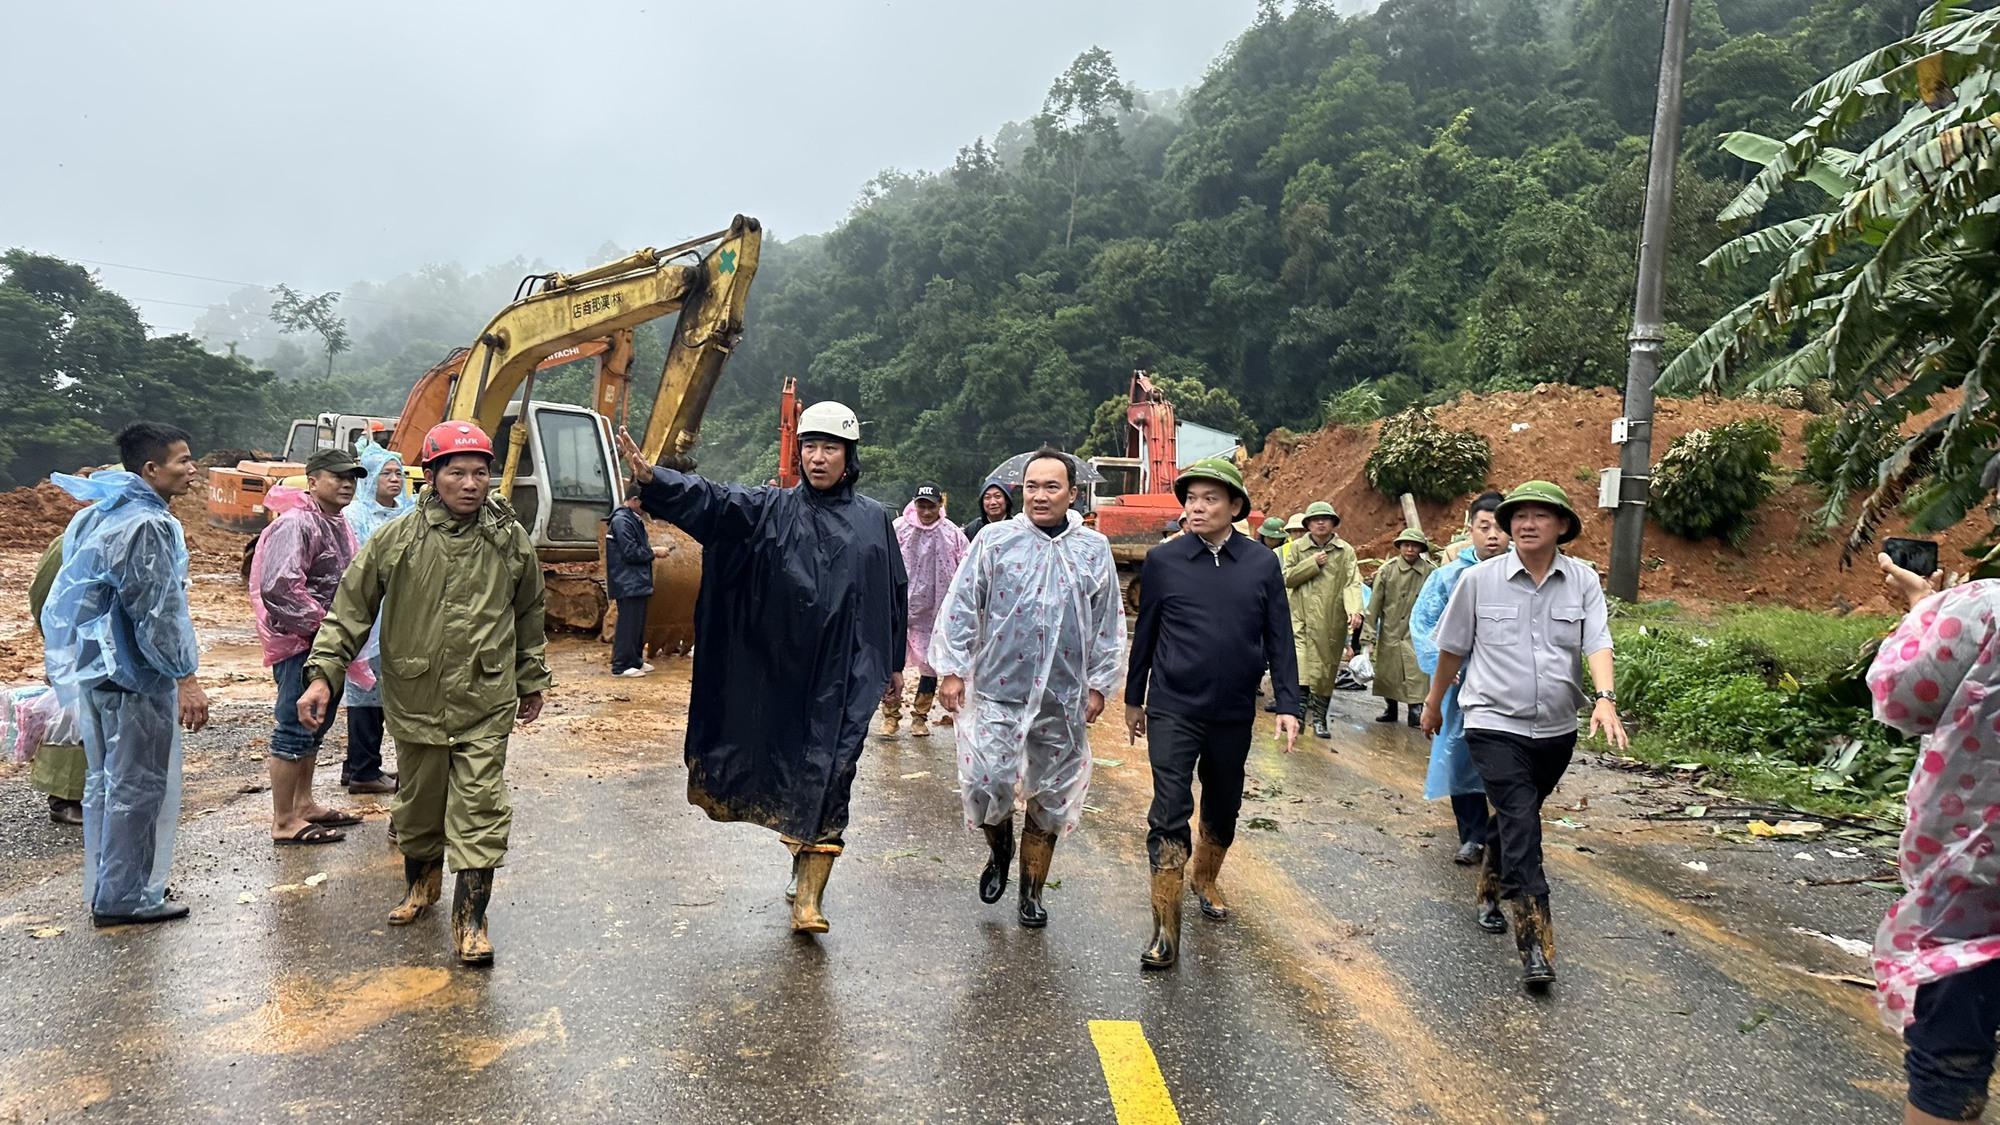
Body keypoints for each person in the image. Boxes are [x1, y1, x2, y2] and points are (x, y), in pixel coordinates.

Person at [614, 402, 906, 936]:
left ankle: (810, 900)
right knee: (793, 766)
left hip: (849, 672)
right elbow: (714, 501)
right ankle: (801, 858)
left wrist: (894, 662)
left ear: (849, 456)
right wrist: (658, 481)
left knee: (836, 769)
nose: (818, 459)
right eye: (810, 448)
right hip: (785, 668)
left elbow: (893, 592)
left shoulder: (874, 519)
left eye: (830, 448)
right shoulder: (769, 508)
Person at [298, 422, 551, 965]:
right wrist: (324, 672)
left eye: (479, 473)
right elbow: (351, 609)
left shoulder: (507, 538)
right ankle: (421, 885)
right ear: (431, 477)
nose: (469, 484)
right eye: (456, 472)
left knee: (481, 806)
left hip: (485, 697)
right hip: (417, 697)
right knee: (417, 805)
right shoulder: (399, 538)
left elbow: (530, 610)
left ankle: (472, 920)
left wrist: (531, 677)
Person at [1421, 480, 1626, 992]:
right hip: (1491, 721)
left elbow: (1597, 640)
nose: (1526, 524)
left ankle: (1490, 885)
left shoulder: (1581, 580)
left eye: (1540, 515)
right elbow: (1451, 648)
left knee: (1519, 815)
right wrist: (1432, 703)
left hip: (1556, 728)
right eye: (1518, 516)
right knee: (1520, 819)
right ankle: (1535, 942)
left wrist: (1605, 698)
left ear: (1562, 526)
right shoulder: (1478, 581)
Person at [931, 449, 1123, 927]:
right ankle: (999, 850)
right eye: (1032, 486)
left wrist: (1099, 684)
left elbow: (1107, 622)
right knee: (986, 782)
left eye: (1051, 487)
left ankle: (1032, 890)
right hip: (999, 686)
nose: (1039, 495)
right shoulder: (996, 540)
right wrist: (952, 670)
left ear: (1073, 494)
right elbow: (961, 604)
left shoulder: (1093, 549)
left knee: (1051, 794)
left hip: (1063, 697)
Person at [1126, 458, 1302, 970]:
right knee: (1169, 807)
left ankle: (1205, 878)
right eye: (1191, 498)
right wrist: (1135, 698)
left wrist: (1288, 703)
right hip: (1174, 706)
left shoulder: (1261, 563)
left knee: (1223, 803)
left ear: (1235, 508)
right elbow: (1147, 633)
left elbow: (1279, 636)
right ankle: (1165, 927)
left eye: (1209, 499)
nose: (1197, 507)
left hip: (1231, 710)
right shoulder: (1165, 560)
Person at [42, 422, 210, 927]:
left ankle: (113, 884)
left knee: (107, 783)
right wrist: (185, 676)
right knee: (137, 786)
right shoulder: (147, 525)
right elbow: (155, 611)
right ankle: (125, 896)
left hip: (99, 672)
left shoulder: (101, 515)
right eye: (183, 460)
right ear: (151, 469)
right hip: (135, 676)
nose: (193, 468)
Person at [1872, 502, 2000, 1125]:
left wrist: (1926, 612)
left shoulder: (1983, 608)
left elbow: (1903, 700)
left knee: (1950, 1060)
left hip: (1977, 882)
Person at [251, 449, 369, 846]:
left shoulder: (335, 523)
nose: (347, 483)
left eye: (352, 477)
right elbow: (280, 587)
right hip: (301, 643)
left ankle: (304, 804)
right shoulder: (298, 523)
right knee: (293, 726)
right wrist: (325, 631)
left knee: (314, 728)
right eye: (337, 476)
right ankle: (284, 820)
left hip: (327, 645)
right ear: (313, 480)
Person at [1411, 492, 1509, 910]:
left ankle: (1502, 833)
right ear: (1469, 529)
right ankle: (1472, 835)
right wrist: (1448, 672)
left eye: (1499, 528)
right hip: (1459, 688)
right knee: (1460, 756)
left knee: (1506, 761)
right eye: (1484, 527)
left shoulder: (1522, 574)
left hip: (1506, 689)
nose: (1493, 536)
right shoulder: (1450, 577)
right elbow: (1424, 624)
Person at [338, 439, 412, 794]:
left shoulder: (407, 513)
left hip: (399, 615)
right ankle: (364, 770)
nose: (395, 480)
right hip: (369, 614)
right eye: (387, 474)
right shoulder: (355, 516)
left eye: (399, 473)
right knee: (364, 690)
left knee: (385, 691)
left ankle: (357, 764)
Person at [887, 483, 969, 738]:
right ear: (914, 503)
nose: (925, 511)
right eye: (921, 505)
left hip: (934, 610)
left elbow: (966, 565)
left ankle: (920, 716)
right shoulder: (899, 528)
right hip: (900, 606)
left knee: (931, 664)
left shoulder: (951, 533)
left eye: (930, 506)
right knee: (891, 662)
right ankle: (890, 715)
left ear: (939, 506)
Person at [1283, 500, 1362, 740]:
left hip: (1331, 621)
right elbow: (1287, 578)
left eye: (1325, 518)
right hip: (1301, 619)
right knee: (1302, 669)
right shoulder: (1297, 548)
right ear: (1307, 524)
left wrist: (1354, 609)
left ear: (1333, 523)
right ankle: (1299, 718)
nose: (1320, 522)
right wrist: (1312, 564)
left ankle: (1320, 719)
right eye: (1315, 519)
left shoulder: (1345, 551)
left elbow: (1352, 582)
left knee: (1326, 673)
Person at [27, 535, 84, 825]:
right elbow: (43, 593)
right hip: (77, 644)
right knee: (71, 719)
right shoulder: (77, 538)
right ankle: (65, 797)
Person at [1367, 528, 1435, 728]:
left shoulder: (1430, 572)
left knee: (1417, 673)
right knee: (1390, 673)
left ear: (1421, 548)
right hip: (1392, 629)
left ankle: (1416, 710)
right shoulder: (1387, 571)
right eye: (1406, 545)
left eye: (1414, 545)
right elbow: (1374, 605)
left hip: (1417, 631)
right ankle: (1391, 708)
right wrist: (1368, 637)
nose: (1410, 549)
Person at [606, 483, 669, 678]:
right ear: (634, 500)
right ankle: (621, 666)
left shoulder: (633, 519)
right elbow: (630, 552)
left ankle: (635, 661)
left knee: (637, 624)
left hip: (637, 581)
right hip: (627, 580)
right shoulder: (621, 521)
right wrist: (654, 552)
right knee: (628, 624)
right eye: (645, 503)